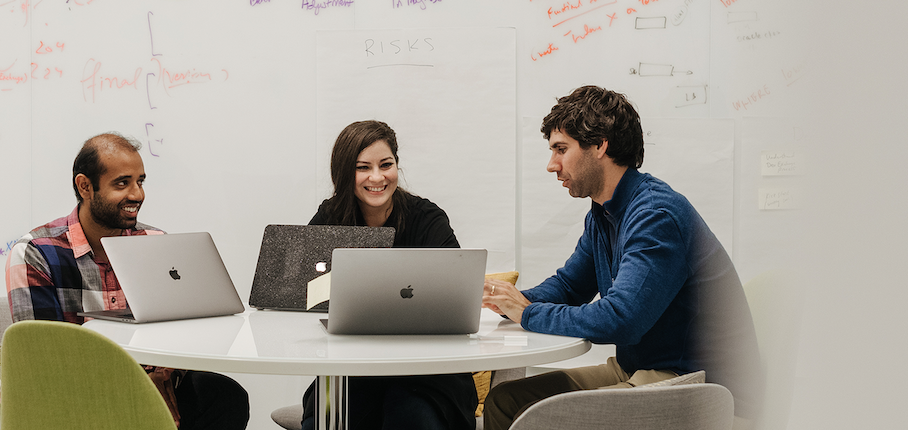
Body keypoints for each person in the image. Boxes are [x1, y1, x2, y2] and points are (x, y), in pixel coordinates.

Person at [481, 86, 762, 430]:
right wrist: (507, 299)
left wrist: (527, 312)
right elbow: (571, 285)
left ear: (600, 145)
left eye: (561, 149)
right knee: (506, 401)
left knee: (542, 420)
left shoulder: (656, 215)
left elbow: (622, 320)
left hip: (696, 385)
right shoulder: (603, 213)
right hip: (642, 369)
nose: (551, 165)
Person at [5, 132, 250, 430]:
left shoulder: (154, 242)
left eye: (140, 181)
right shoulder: (36, 252)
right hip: (69, 393)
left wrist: (165, 373)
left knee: (225, 395)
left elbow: (177, 336)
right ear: (85, 186)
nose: (137, 195)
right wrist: (135, 390)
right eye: (122, 183)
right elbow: (46, 359)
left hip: (148, 384)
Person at [300, 120, 478, 430]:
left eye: (386, 165)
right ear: (344, 173)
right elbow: (304, 294)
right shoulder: (329, 218)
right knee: (322, 420)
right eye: (363, 167)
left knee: (411, 418)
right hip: (349, 372)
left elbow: (457, 296)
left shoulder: (427, 219)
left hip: (427, 374)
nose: (377, 177)